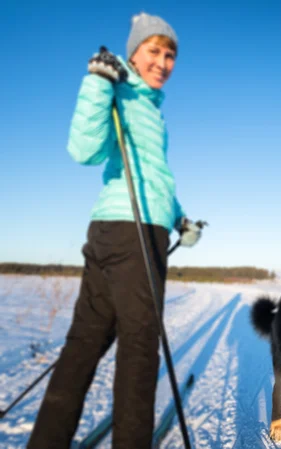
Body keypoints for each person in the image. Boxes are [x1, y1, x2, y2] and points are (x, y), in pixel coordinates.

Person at [27, 12, 202, 448]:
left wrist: (179, 218)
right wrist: (97, 82)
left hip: (114, 230)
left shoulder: (148, 107)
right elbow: (83, 149)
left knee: (83, 345)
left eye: (170, 55)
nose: (163, 63)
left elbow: (153, 176)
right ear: (133, 53)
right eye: (154, 52)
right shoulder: (120, 92)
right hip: (134, 235)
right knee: (140, 353)